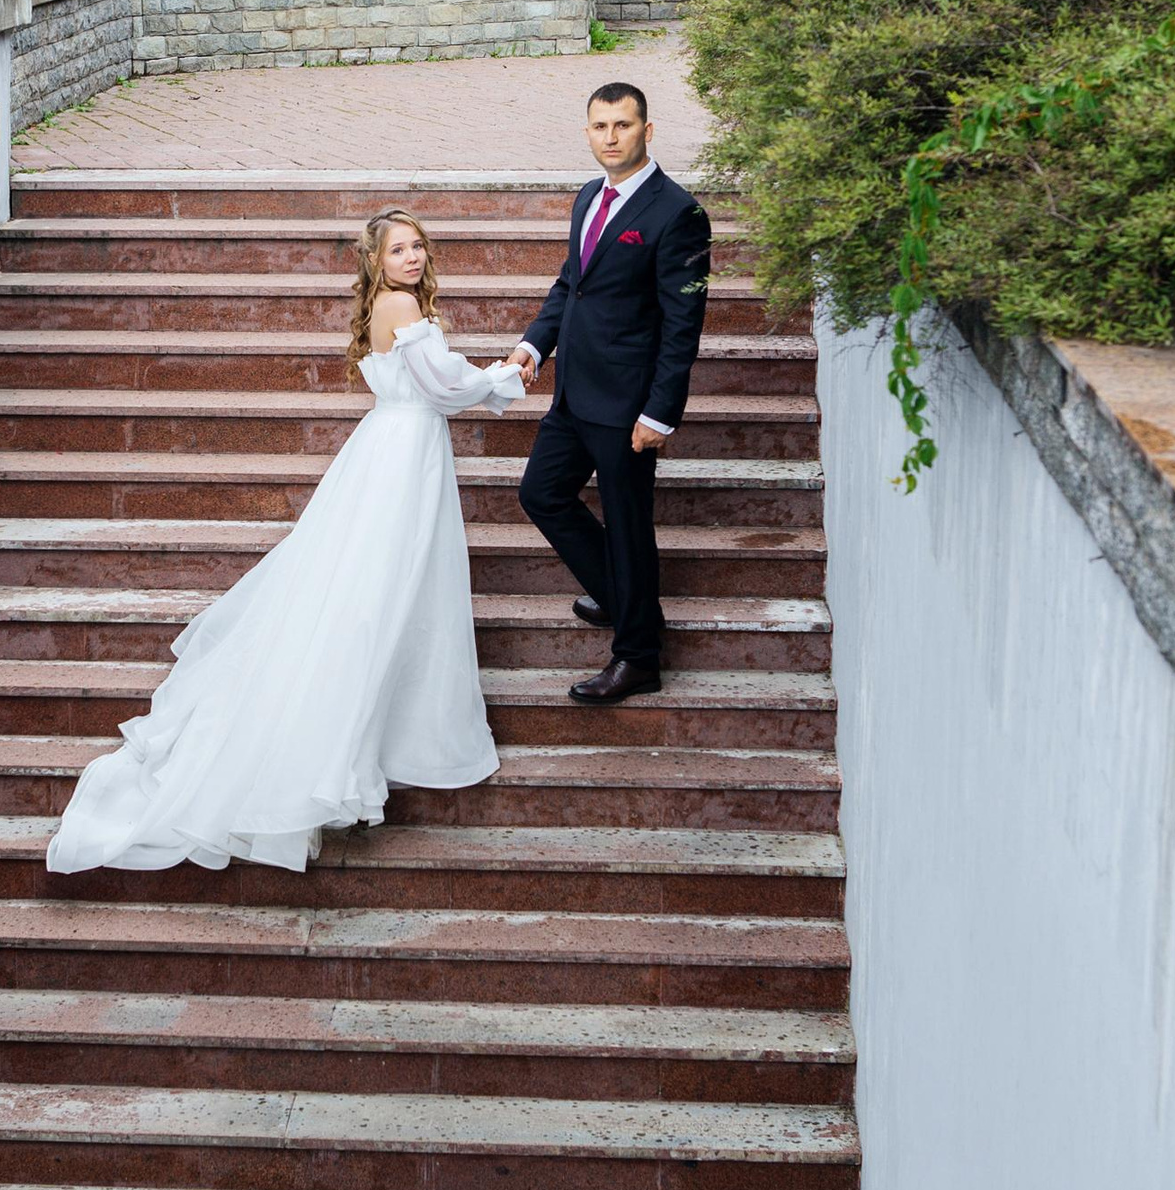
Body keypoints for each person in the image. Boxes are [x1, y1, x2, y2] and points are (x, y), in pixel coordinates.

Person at [45, 208, 525, 874]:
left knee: (377, 586)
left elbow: (434, 384)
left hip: (395, 446)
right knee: (378, 589)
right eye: (399, 249)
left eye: (419, 246)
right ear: (377, 261)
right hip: (401, 455)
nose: (413, 257)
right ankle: (343, 746)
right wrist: (506, 376)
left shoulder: (393, 304)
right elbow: (445, 386)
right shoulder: (400, 305)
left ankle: (373, 732)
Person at [505, 82, 712, 705]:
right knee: (540, 493)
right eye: (600, 126)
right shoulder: (588, 197)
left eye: (623, 125)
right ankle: (627, 600)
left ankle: (638, 656)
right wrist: (534, 345)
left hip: (628, 405)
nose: (611, 137)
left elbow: (683, 325)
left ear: (648, 131)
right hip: (573, 393)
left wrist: (660, 411)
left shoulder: (679, 213)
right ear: (588, 132)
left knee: (628, 527)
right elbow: (572, 282)